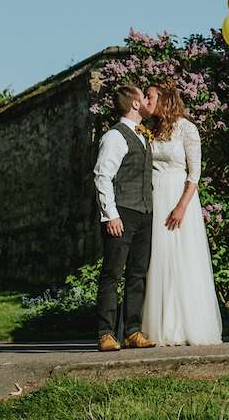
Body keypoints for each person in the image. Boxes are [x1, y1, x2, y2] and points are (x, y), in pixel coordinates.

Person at [141, 82, 224, 345]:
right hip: (155, 196)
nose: (146, 100)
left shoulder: (187, 129)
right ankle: (161, 325)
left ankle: (187, 325)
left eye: (150, 96)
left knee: (182, 260)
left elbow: (194, 173)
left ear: (164, 99)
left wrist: (181, 206)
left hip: (178, 197)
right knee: (159, 260)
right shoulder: (149, 130)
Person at [92, 84, 158, 352]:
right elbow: (102, 176)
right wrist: (110, 215)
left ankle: (132, 331)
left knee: (137, 274)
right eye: (143, 97)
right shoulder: (115, 136)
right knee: (112, 273)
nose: (147, 102)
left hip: (144, 213)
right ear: (134, 104)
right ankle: (106, 333)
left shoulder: (142, 136)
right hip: (122, 213)